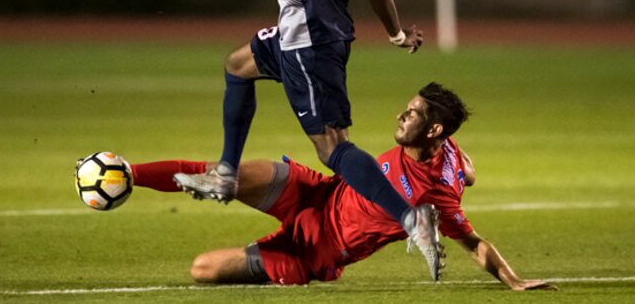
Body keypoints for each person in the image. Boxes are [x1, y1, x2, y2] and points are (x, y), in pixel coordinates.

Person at [172, 0, 437, 278]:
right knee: (238, 65)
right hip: (315, 32)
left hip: (307, 39)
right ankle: (225, 173)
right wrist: (395, 32)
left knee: (332, 146)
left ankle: (411, 219)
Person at [132, 83, 553, 289]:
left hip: (317, 249)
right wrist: (466, 172)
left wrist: (514, 281)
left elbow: (472, 241)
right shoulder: (449, 151)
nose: (401, 117)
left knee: (201, 269)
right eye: (406, 109)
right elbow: (465, 170)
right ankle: (129, 173)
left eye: (412, 114)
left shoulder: (433, 197)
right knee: (224, 172)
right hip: (314, 192)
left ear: (434, 129)